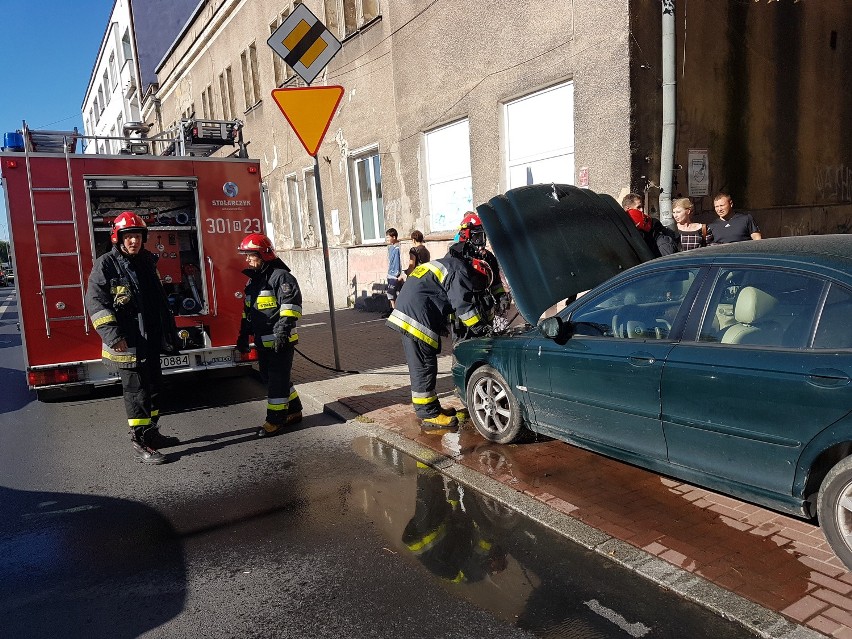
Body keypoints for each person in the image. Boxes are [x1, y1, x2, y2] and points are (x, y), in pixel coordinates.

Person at [85, 211, 179, 465]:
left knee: (155, 389)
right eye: (128, 237)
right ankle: (140, 442)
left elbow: (157, 300)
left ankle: (152, 433)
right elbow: (95, 303)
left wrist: (167, 332)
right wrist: (113, 335)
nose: (134, 241)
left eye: (137, 236)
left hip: (150, 339)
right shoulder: (105, 264)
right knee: (136, 391)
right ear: (118, 238)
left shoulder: (147, 261)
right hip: (127, 342)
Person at [386, 213, 491, 434]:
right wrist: (482, 328)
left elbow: (444, 301)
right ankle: (430, 415)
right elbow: (463, 306)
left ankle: (432, 409)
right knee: (424, 365)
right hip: (416, 317)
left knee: (424, 363)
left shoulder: (448, 264)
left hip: (409, 312)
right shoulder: (460, 271)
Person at [235, 233, 303, 438]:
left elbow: (291, 306)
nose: (247, 259)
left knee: (276, 380)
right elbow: (248, 312)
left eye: (250, 255)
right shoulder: (253, 282)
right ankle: (294, 410)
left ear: (264, 255)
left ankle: (275, 421)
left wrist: (283, 329)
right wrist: (243, 335)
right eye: (245, 256)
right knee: (270, 377)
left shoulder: (281, 277)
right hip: (263, 342)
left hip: (281, 341)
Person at [383, 228, 402, 318]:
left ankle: (395, 311)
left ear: (394, 237)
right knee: (391, 293)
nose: (387, 240)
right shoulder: (391, 248)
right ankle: (392, 310)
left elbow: (397, 262)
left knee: (393, 292)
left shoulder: (398, 248)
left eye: (388, 238)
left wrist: (397, 273)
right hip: (390, 273)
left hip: (395, 274)